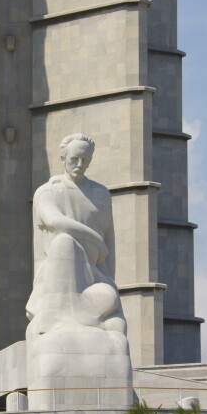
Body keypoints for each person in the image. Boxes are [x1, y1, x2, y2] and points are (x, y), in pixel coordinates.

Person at [25, 133, 126, 336]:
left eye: (85, 160)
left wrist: (109, 280)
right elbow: (55, 221)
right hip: (57, 281)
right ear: (63, 159)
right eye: (74, 159)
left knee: (115, 323)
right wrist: (94, 238)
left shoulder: (101, 194)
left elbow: (110, 243)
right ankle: (58, 316)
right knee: (64, 241)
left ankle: (81, 318)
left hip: (92, 278)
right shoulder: (48, 191)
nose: (80, 164)